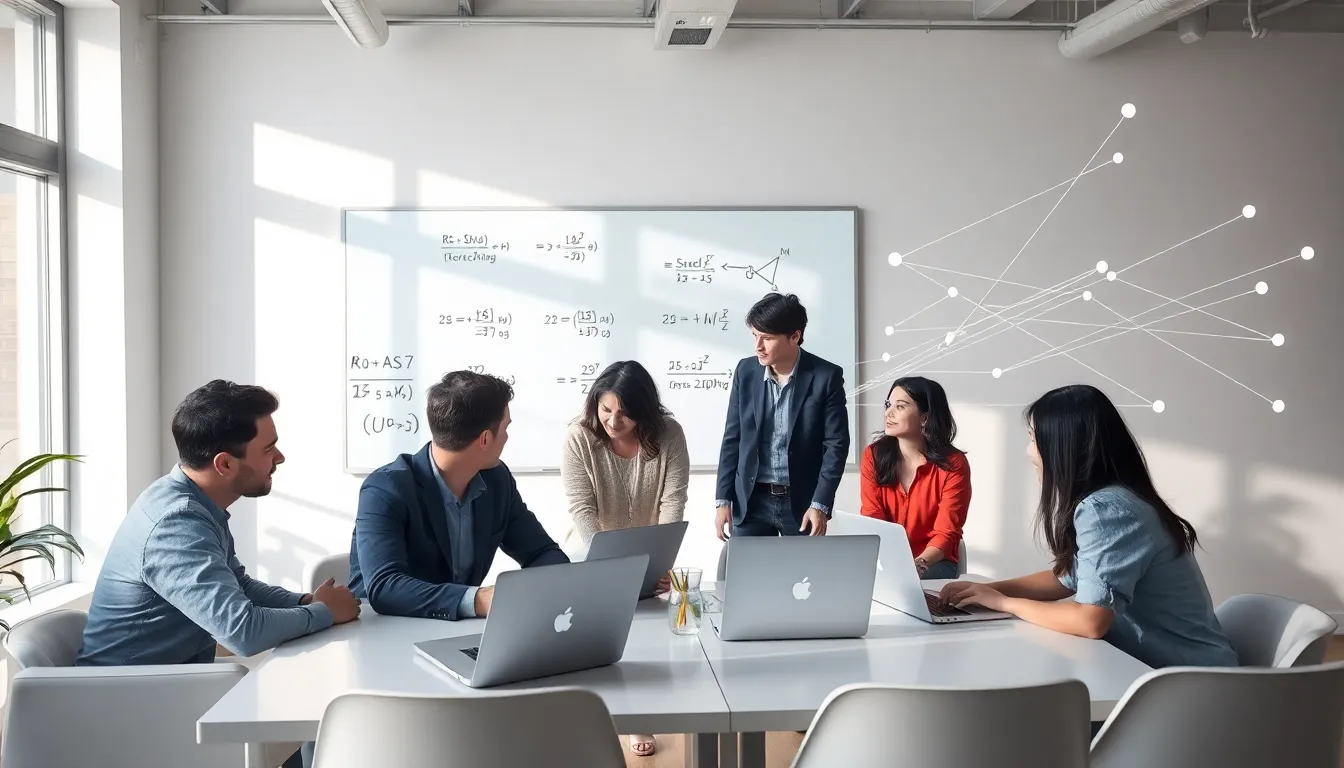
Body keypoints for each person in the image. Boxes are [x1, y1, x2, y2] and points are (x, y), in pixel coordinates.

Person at [939, 384, 1238, 670]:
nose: (1029, 452)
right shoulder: (1117, 499)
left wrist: (1004, 603)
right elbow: (1067, 578)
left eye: (1033, 438)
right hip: (1160, 672)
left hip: (1191, 684)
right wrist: (987, 590)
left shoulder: (1107, 509)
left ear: (1063, 445)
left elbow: (1090, 621)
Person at [78, 380, 361, 667]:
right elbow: (242, 632)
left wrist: (306, 602)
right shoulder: (176, 523)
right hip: (123, 697)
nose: (280, 457)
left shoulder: (192, 501)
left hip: (162, 688)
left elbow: (238, 585)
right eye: (268, 449)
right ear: (224, 464)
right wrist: (325, 612)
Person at [347, 370, 568, 620]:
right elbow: (385, 587)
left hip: (456, 635)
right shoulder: (385, 488)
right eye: (506, 427)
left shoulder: (496, 480)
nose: (507, 436)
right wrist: (478, 600)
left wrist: (537, 591)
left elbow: (543, 553)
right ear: (485, 438)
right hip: (381, 635)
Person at [559, 360, 688, 758]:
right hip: (591, 549)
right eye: (605, 409)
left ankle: (637, 715)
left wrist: (663, 557)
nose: (613, 421)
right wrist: (609, 560)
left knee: (646, 634)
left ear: (645, 410)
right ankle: (588, 718)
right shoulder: (578, 437)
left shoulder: (669, 434)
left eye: (625, 412)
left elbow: (673, 500)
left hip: (650, 550)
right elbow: (582, 508)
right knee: (595, 637)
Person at [714, 292, 850, 540]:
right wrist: (723, 499)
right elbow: (732, 438)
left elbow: (836, 446)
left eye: (766, 338)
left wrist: (820, 504)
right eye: (755, 336)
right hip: (751, 501)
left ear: (794, 336)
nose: (758, 346)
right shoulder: (746, 371)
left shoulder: (826, 377)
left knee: (802, 578)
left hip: (801, 503)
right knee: (746, 576)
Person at [860, 376, 970, 580]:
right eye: (888, 404)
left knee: (904, 589)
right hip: (887, 561)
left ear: (925, 418)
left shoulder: (953, 464)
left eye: (900, 406)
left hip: (933, 562)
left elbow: (947, 533)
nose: (888, 413)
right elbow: (872, 518)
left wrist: (915, 566)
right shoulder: (873, 455)